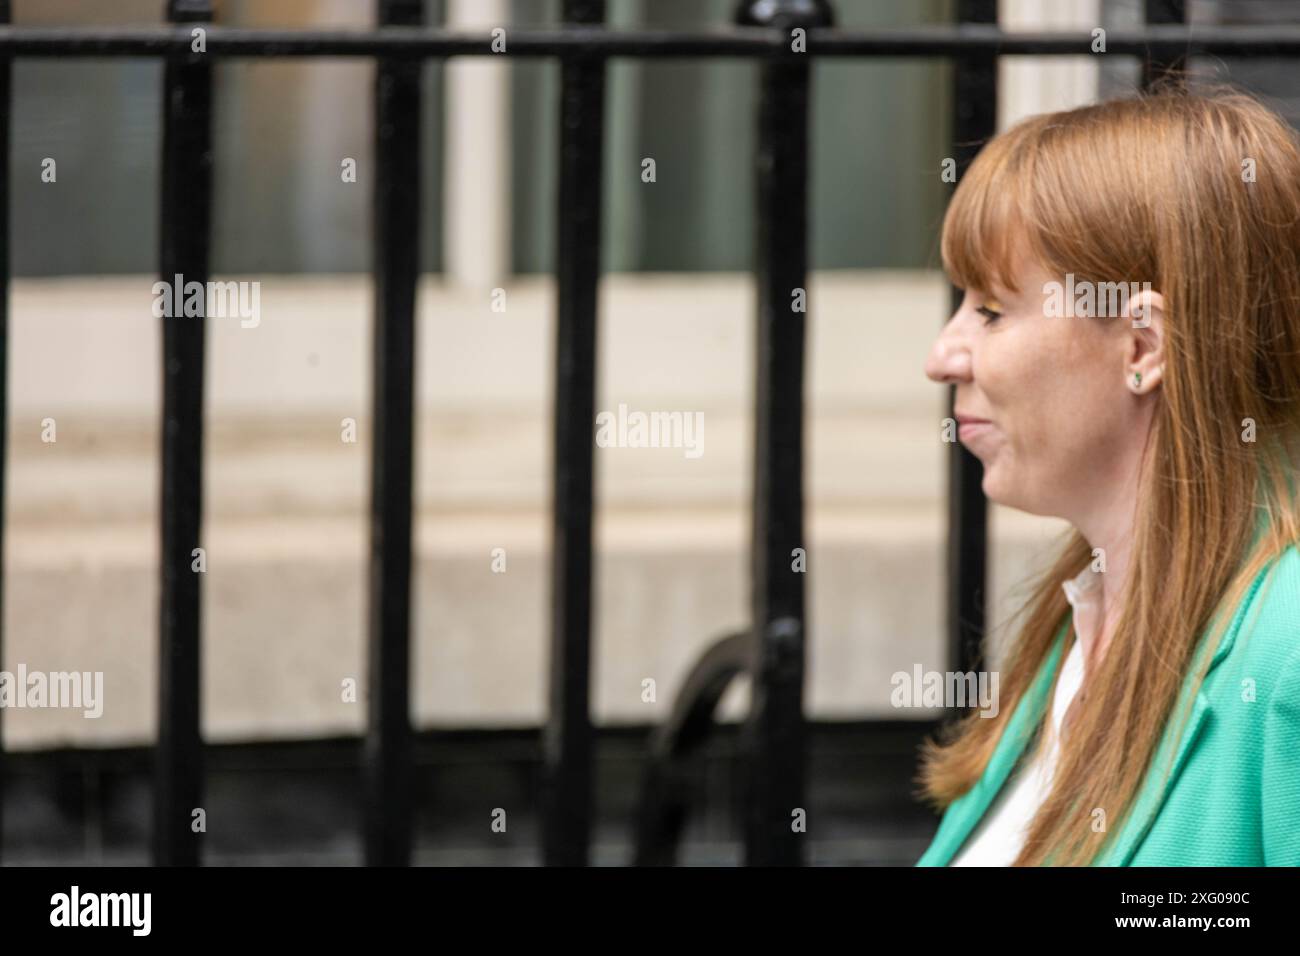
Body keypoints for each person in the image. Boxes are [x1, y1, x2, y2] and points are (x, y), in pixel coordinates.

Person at [917, 88, 1300, 866]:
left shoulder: (1285, 648)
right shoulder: (1083, 621)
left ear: (1142, 347)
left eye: (991, 310)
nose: (943, 356)